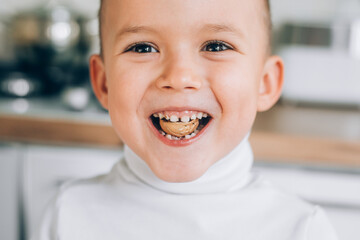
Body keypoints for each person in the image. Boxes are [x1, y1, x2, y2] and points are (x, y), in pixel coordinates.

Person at [33, 0, 338, 239]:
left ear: (266, 83)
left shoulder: (301, 230)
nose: (178, 77)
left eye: (216, 46)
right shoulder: (68, 216)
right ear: (104, 84)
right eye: (142, 47)